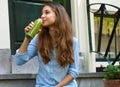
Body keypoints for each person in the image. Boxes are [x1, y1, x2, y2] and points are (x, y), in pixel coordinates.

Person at [14, 2, 79, 87]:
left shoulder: (72, 42)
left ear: (58, 15)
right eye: (42, 13)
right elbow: (19, 61)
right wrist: (27, 38)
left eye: (47, 12)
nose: (42, 16)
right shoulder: (38, 39)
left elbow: (74, 72)